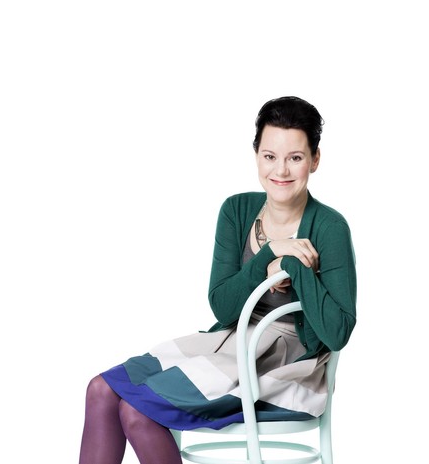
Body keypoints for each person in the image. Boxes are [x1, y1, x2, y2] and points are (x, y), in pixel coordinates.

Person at [78, 96, 357, 464]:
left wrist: (294, 265)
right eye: (270, 156)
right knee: (100, 390)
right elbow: (223, 306)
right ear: (256, 155)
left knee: (136, 409)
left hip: (290, 365)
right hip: (232, 342)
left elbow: (338, 333)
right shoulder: (236, 210)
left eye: (295, 157)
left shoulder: (330, 227)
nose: (281, 170)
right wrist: (267, 257)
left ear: (315, 159)